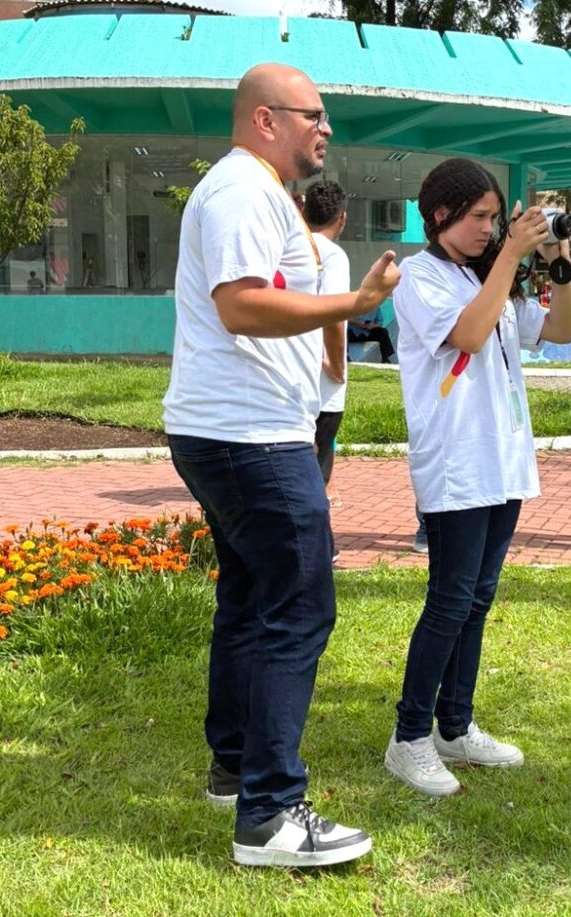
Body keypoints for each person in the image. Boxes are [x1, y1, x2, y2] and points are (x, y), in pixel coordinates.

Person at [162, 62, 400, 869]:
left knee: (250, 596)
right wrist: (356, 306)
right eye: (314, 115)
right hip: (248, 437)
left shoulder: (265, 195)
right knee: (298, 606)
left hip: (242, 431)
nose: (326, 129)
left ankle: (234, 765)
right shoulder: (237, 191)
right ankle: (268, 813)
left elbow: (275, 291)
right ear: (266, 119)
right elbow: (241, 305)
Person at [382, 158, 571, 797]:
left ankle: (455, 726)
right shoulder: (419, 276)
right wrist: (511, 255)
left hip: (502, 461)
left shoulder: (490, 277)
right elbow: (467, 331)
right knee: (449, 598)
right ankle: (409, 738)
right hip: (457, 462)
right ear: (439, 215)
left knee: (478, 598)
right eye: (479, 217)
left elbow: (560, 330)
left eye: (496, 219)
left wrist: (559, 264)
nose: (490, 229)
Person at [303, 179, 350, 516]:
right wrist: (336, 364)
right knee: (318, 466)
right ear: (342, 219)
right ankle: (321, 547)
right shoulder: (332, 256)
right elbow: (334, 316)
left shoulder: (290, 248)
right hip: (321, 377)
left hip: (289, 375)